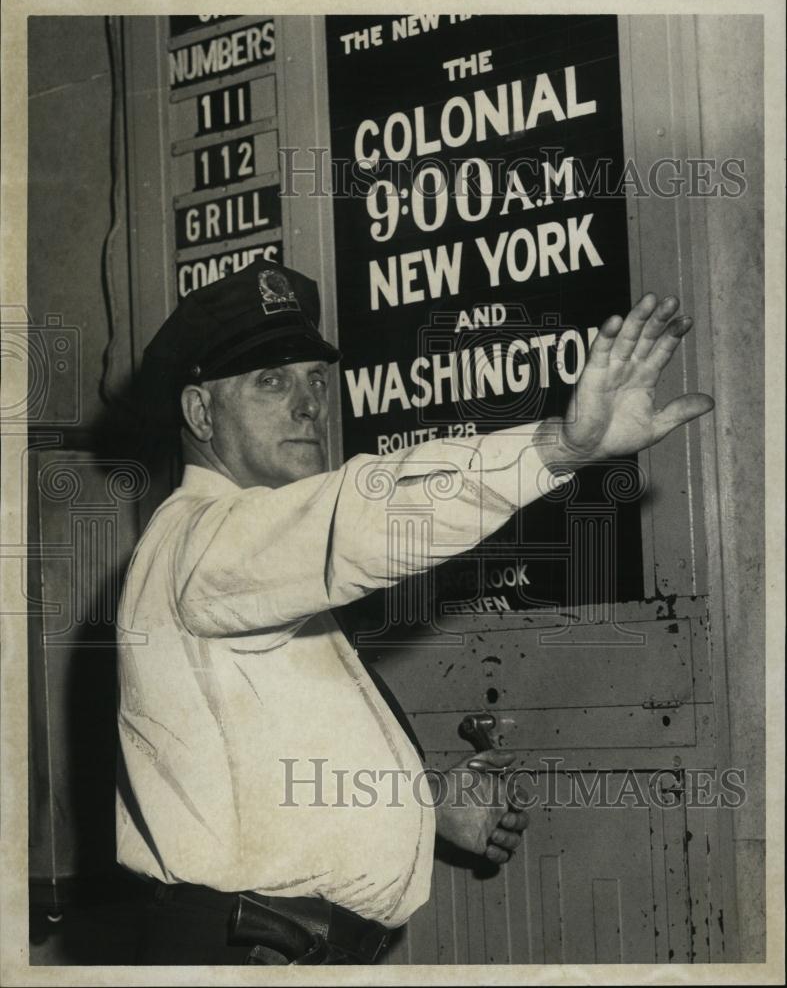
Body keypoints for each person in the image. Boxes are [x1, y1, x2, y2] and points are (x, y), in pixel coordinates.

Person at [116, 261, 713, 964]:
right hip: (250, 950)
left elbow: (268, 774)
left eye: (315, 378)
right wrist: (559, 446)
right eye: (270, 382)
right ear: (198, 414)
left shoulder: (250, 563)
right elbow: (369, 514)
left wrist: (422, 803)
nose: (308, 404)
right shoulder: (205, 540)